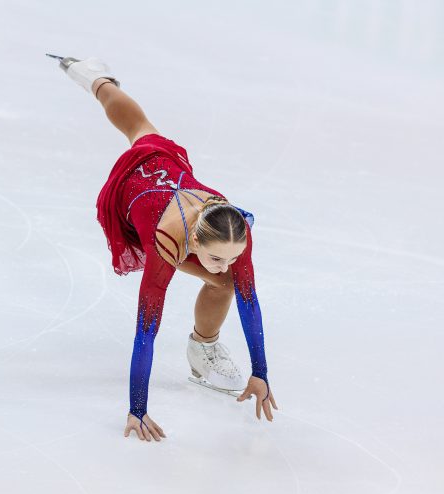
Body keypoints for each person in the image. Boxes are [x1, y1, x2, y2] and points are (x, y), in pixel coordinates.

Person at [52, 55, 279, 443]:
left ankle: (94, 76)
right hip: (139, 198)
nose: (226, 265)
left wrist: (261, 371)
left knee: (140, 128)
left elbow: (249, 301)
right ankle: (94, 79)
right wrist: (136, 409)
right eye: (216, 258)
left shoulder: (233, 228)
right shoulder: (168, 244)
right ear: (195, 245)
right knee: (136, 130)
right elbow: (146, 330)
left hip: (167, 168)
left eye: (233, 256)